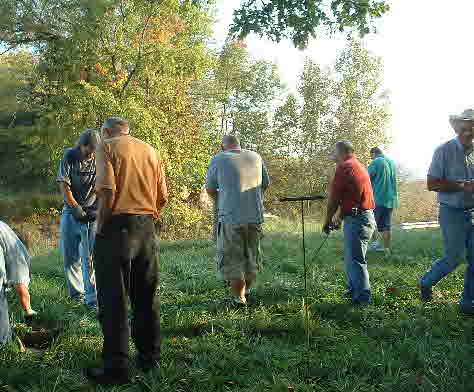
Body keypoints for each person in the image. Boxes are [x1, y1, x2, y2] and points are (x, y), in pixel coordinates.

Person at [86, 117, 168, 385]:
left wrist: (100, 227)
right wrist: (147, 220)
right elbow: (162, 197)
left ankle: (117, 367)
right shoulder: (150, 151)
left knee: (113, 300)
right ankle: (150, 358)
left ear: (106, 131)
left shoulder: (106, 147)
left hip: (116, 228)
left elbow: (107, 192)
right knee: (146, 295)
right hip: (146, 227)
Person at [419, 109, 474, 315]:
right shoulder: (443, 150)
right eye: (465, 127)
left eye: (472, 127)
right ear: (458, 127)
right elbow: (431, 183)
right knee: (453, 259)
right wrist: (462, 186)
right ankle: (426, 282)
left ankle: (468, 303)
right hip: (452, 212)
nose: (468, 131)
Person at [206, 135, 270, 305]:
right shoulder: (256, 157)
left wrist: (222, 200)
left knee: (232, 258)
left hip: (230, 217)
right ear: (239, 145)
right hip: (255, 216)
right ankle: (247, 291)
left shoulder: (218, 159)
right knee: (251, 255)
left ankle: (238, 298)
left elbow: (210, 188)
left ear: (223, 147)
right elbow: (265, 184)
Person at [323, 140, 376, 306]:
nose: (332, 155)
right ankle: (354, 289)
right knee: (352, 257)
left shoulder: (344, 167)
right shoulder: (356, 165)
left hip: (358, 219)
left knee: (356, 259)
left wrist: (327, 221)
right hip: (361, 216)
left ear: (342, 152)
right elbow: (351, 198)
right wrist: (339, 217)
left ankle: (362, 299)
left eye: (334, 152)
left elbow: (334, 199)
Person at [57, 129, 101, 309]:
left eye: (93, 151)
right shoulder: (70, 156)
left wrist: (97, 208)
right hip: (71, 211)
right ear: (80, 145)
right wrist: (74, 206)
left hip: (91, 213)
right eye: (87, 150)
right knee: (70, 256)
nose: (90, 154)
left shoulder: (99, 159)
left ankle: (92, 299)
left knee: (89, 258)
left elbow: (102, 184)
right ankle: (77, 296)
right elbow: (64, 184)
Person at [0, 222, 38, 346]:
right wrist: (29, 311)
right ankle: (5, 343)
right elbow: (22, 288)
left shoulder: (6, 232)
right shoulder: (20, 254)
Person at [367, 147, 399, 253]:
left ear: (374, 154)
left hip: (378, 198)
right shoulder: (391, 162)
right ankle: (386, 249)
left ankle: (375, 244)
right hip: (391, 199)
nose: (371, 159)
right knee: (386, 225)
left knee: (371, 222)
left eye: (371, 156)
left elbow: (366, 179)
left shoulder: (376, 162)